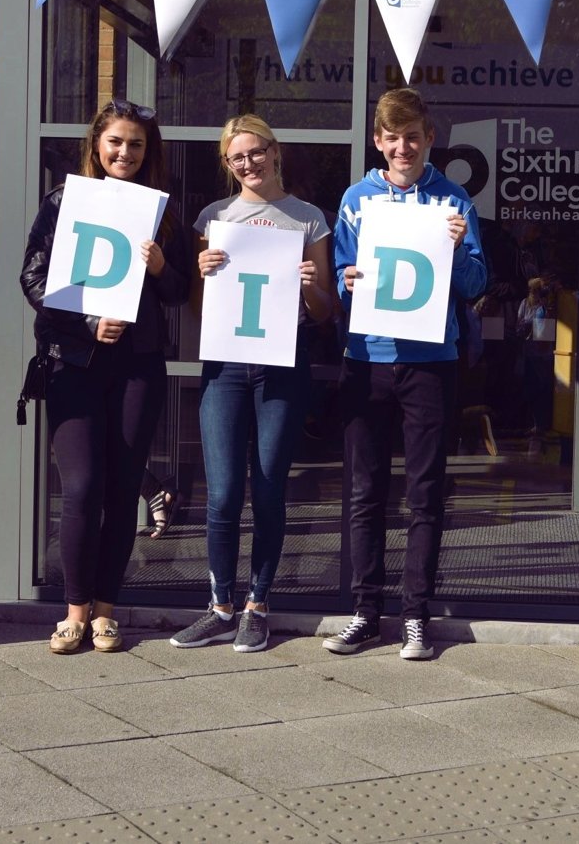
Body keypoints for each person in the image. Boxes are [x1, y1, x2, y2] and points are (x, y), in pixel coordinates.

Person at [323, 87, 488, 661]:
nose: (403, 147)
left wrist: (463, 250)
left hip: (430, 363)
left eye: (412, 136)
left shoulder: (454, 201)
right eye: (392, 138)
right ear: (377, 141)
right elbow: (342, 274)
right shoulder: (355, 199)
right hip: (366, 360)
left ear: (429, 138)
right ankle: (365, 611)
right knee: (365, 493)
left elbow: (474, 287)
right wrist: (345, 282)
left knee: (424, 496)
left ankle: (415, 613)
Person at [21, 100, 191, 654]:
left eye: (136, 144)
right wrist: (88, 322)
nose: (125, 152)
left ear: (149, 152)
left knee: (122, 492)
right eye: (116, 141)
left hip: (138, 364)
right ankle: (73, 611)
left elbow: (180, 294)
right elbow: (34, 280)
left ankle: (105, 612)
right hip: (74, 361)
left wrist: (163, 266)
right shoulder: (62, 202)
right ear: (96, 144)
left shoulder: (160, 211)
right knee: (82, 487)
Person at [169, 115, 335, 654]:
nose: (248, 163)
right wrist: (201, 272)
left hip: (283, 364)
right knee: (221, 495)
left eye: (256, 152)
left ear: (275, 149)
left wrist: (311, 287)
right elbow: (198, 309)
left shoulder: (308, 219)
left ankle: (257, 605)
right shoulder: (214, 218)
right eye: (237, 157)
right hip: (225, 364)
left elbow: (325, 312)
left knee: (267, 489)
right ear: (227, 163)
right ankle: (218, 606)